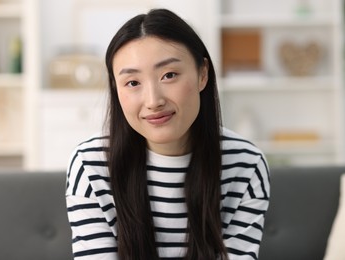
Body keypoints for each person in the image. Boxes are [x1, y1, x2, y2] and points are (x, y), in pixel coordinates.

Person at [66, 8, 270, 260]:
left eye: (169, 75)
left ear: (202, 74)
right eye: (133, 83)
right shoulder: (91, 166)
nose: (153, 101)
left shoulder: (245, 164)